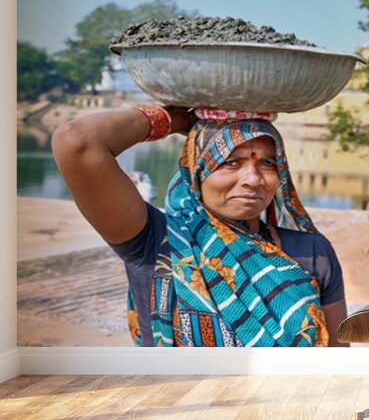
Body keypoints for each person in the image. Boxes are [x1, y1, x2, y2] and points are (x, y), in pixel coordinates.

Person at [51, 106, 348, 347]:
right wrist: (179, 118)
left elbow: (336, 362)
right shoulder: (155, 240)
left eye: (268, 164)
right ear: (196, 170)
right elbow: (76, 142)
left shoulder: (313, 252)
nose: (254, 179)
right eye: (231, 162)